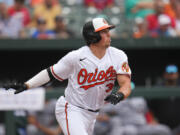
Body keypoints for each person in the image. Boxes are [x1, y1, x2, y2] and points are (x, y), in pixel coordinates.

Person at [3, 17, 132, 135]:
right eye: (104, 31)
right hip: (71, 108)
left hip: (93, 113)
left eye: (108, 30)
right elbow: (50, 73)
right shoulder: (76, 56)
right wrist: (27, 85)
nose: (109, 34)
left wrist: (119, 94)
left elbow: (125, 84)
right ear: (93, 36)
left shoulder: (118, 55)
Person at [148, 64, 180, 132]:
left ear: (177, 74)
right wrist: (152, 120)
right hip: (161, 128)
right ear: (165, 74)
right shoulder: (158, 89)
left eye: (173, 73)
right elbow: (149, 108)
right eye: (169, 73)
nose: (171, 75)